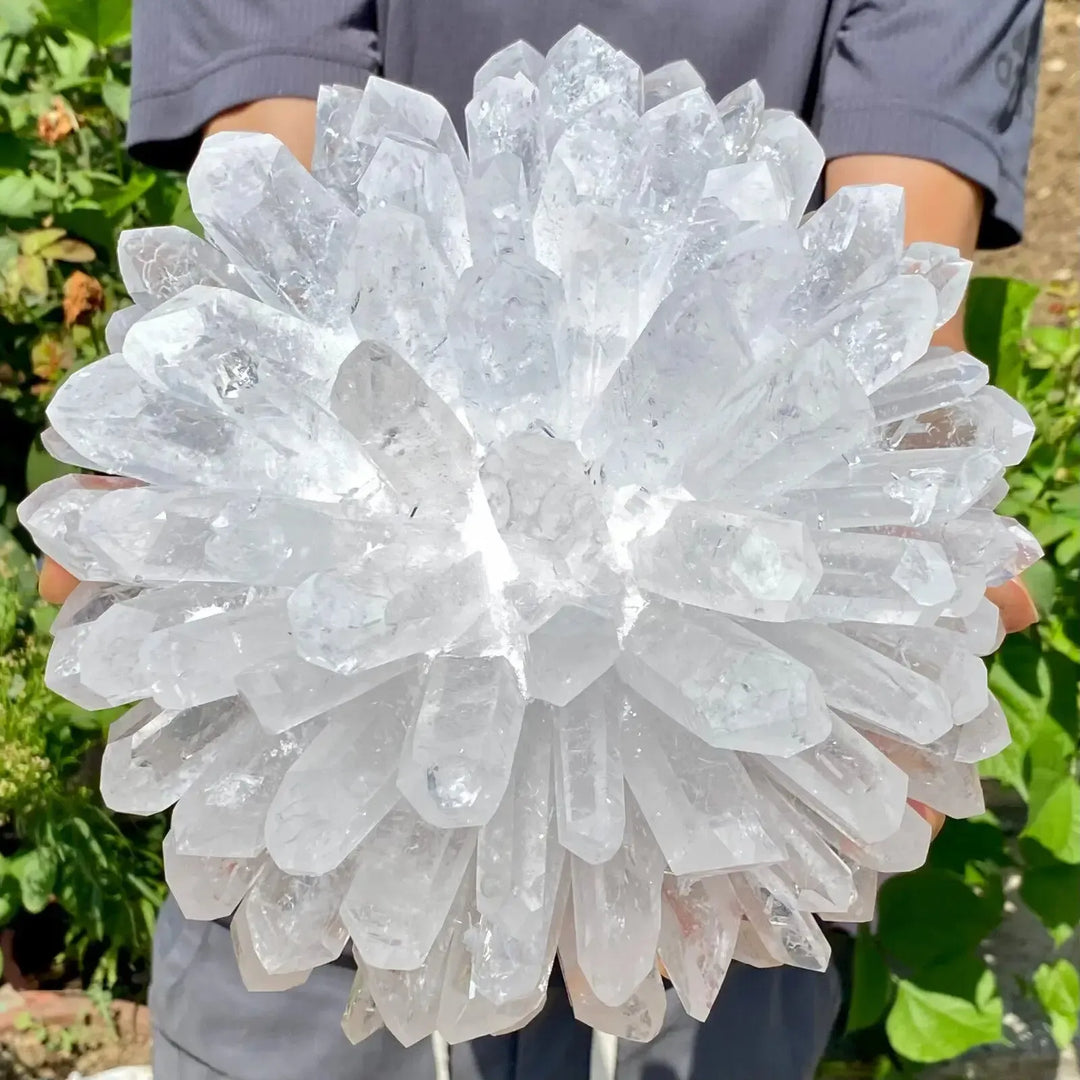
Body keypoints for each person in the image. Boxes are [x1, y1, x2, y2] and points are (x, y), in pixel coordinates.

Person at [39, 1, 1044, 1077]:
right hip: (342, 909)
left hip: (704, 886)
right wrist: (190, 500)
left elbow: (886, 283)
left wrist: (913, 564)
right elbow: (277, 197)